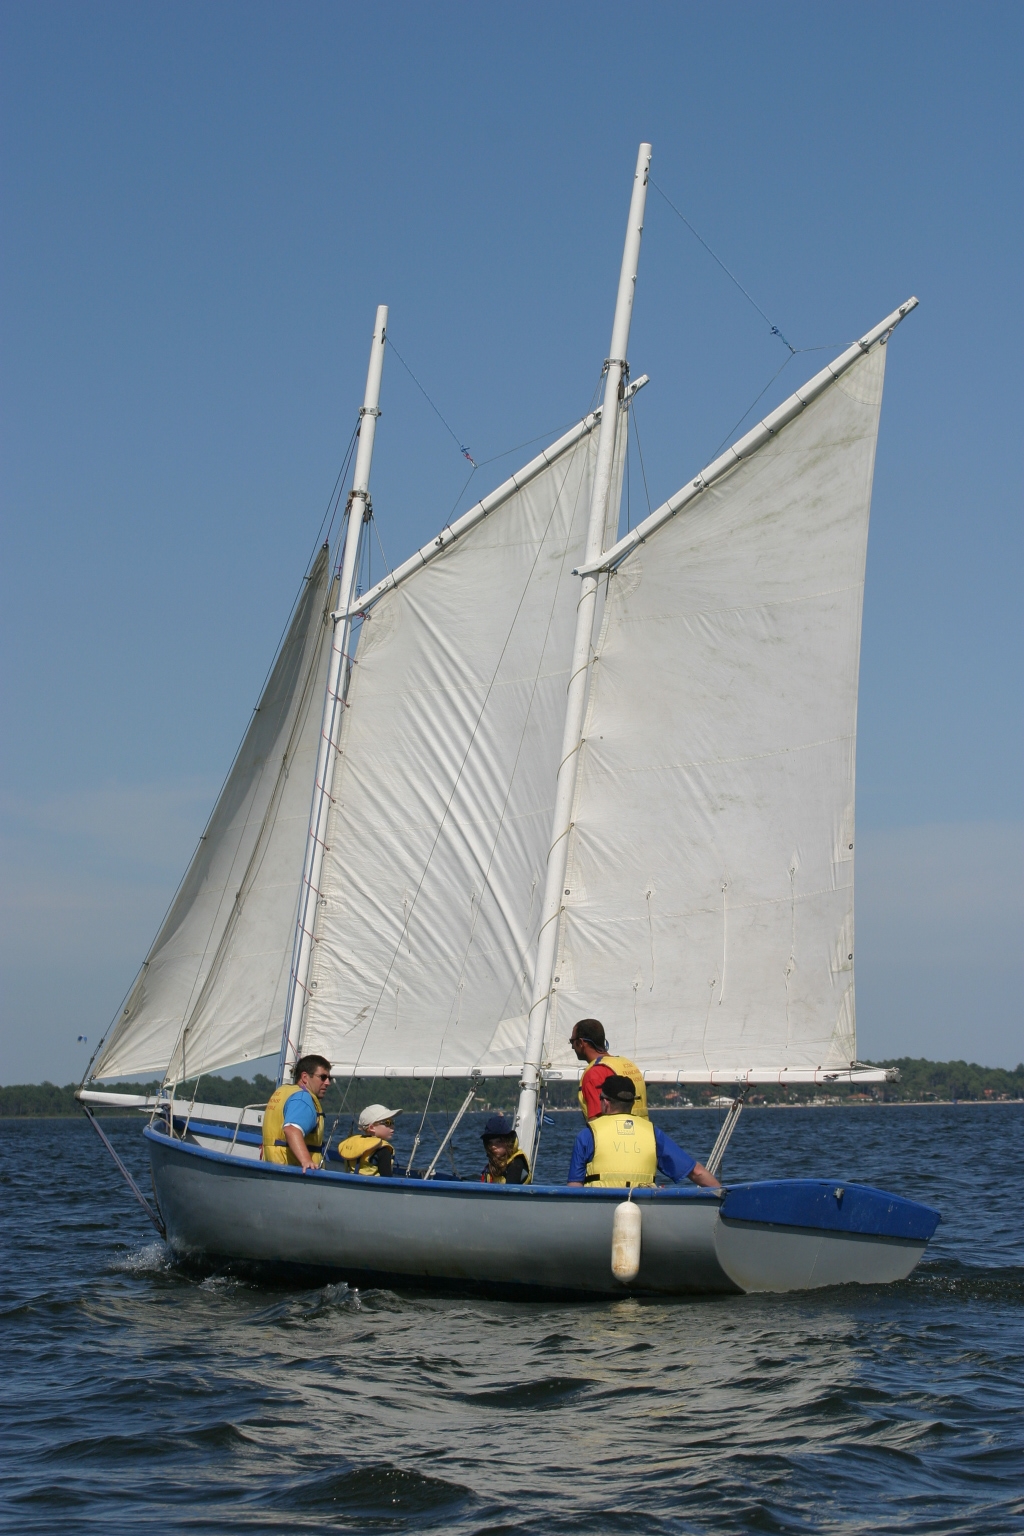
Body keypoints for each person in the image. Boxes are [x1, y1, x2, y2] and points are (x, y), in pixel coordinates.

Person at [567, 1075, 720, 1189]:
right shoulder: (652, 1133)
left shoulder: (588, 1134)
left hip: (600, 1213)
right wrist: (723, 1196)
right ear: (633, 1103)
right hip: (641, 1212)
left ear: (605, 1102)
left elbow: (574, 1186)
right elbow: (697, 1173)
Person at [262, 1055, 332, 1170]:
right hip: (293, 1172)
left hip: (273, 1167)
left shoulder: (284, 1092)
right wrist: (306, 1161)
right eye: (323, 1077)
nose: (328, 1082)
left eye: (330, 1078)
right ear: (305, 1077)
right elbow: (291, 1129)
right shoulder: (302, 1098)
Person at [570, 1018, 648, 1121]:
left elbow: (598, 1123)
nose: (572, 1047)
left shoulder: (594, 1074)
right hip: (643, 1134)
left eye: (572, 1041)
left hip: (616, 1136)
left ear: (581, 1042)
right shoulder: (627, 1064)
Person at [337, 1104, 402, 1176]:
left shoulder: (354, 1144)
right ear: (372, 1128)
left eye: (393, 1122)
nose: (393, 1126)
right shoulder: (383, 1150)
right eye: (387, 1123)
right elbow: (387, 1179)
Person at [477, 1114, 530, 1184]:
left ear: (508, 1142)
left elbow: (511, 1192)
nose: (493, 1146)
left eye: (498, 1142)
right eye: (490, 1143)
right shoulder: (493, 1165)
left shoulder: (516, 1164)